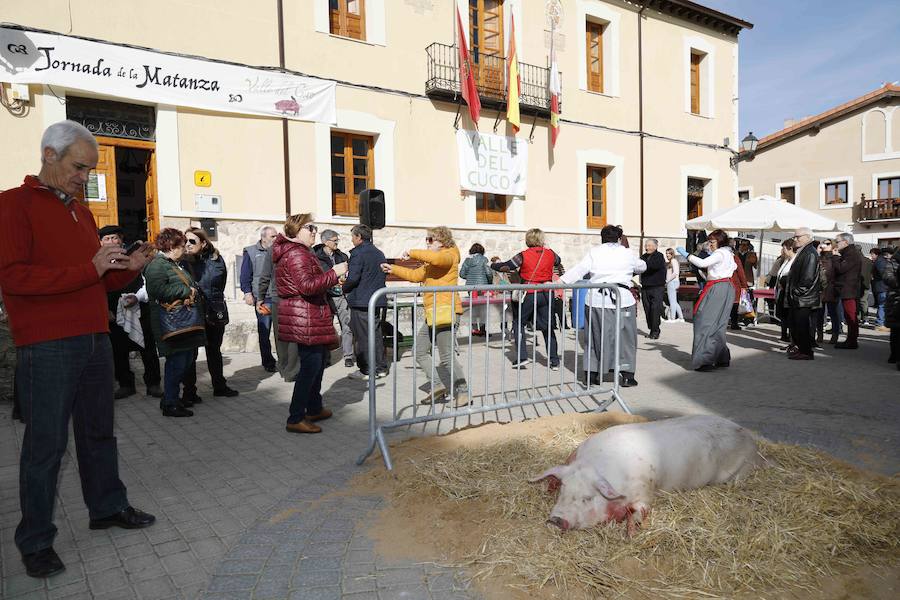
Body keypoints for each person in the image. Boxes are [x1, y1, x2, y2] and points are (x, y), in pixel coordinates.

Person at [0, 120, 156, 578]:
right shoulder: (12, 205)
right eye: (78, 167)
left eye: (88, 170)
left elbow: (98, 280)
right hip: (47, 344)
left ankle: (107, 507)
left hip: (93, 337)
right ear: (49, 154)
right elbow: (12, 277)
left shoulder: (81, 212)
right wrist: (90, 270)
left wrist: (130, 267)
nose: (84, 177)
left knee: (98, 433)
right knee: (46, 446)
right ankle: (34, 542)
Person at [274, 214, 348, 434]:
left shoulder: (301, 252)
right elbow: (307, 286)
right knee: (310, 365)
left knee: (318, 361)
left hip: (309, 314)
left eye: (315, 227)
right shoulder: (297, 253)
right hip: (305, 315)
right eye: (310, 227)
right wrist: (334, 274)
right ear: (296, 230)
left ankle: (314, 408)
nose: (315, 231)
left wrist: (330, 277)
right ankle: (296, 417)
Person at [382, 227, 469, 406]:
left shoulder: (449, 255)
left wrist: (412, 252)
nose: (427, 243)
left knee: (446, 357)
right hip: (433, 313)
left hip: (446, 311)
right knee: (420, 351)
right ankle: (437, 386)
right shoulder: (432, 263)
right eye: (427, 240)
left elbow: (437, 259)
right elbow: (415, 275)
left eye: (430, 240)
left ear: (442, 241)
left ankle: (463, 392)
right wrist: (393, 268)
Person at [561, 225, 646, 387]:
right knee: (626, 338)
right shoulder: (626, 252)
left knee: (594, 337)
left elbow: (580, 269)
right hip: (623, 300)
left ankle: (591, 375)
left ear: (602, 238)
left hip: (597, 300)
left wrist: (560, 282)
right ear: (619, 238)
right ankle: (627, 375)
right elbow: (642, 266)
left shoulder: (595, 252)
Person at [145, 228, 206, 417]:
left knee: (185, 360)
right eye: (181, 245)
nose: (185, 248)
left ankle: (170, 399)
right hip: (171, 322)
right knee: (177, 362)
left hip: (182, 321)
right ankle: (170, 403)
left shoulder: (175, 263)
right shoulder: (157, 266)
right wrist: (186, 291)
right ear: (171, 246)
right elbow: (157, 290)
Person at [98, 225, 162, 400]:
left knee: (147, 348)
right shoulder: (97, 263)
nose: (111, 241)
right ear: (100, 242)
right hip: (113, 313)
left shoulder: (134, 259)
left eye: (115, 238)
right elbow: (96, 289)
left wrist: (138, 297)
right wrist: (105, 310)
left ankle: (153, 384)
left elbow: (148, 282)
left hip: (139, 309)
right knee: (118, 350)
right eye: (107, 239)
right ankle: (126, 385)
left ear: (121, 240)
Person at [491, 228, 564, 370]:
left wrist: (493, 265)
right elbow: (558, 261)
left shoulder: (523, 255)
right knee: (548, 326)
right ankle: (554, 361)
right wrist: (548, 249)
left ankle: (522, 357)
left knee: (519, 323)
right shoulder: (550, 254)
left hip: (529, 293)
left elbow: (507, 266)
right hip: (546, 293)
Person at [181, 227, 239, 399]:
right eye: (185, 241)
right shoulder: (182, 261)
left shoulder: (216, 259)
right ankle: (189, 392)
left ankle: (219, 386)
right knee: (190, 352)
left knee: (214, 350)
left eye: (192, 241)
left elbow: (220, 283)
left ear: (203, 243)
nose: (188, 245)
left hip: (213, 310)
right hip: (192, 312)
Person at [677, 229, 736, 372]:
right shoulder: (729, 254)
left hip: (717, 287)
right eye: (709, 242)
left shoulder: (720, 253)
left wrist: (687, 255)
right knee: (719, 324)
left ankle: (704, 360)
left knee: (705, 322)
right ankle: (721, 357)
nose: (710, 244)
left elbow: (702, 263)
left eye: (712, 242)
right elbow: (733, 268)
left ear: (720, 242)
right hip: (727, 287)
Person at [343, 224, 388, 380]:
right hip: (376, 299)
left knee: (363, 337)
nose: (352, 240)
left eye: (353, 237)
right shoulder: (379, 252)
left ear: (359, 237)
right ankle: (381, 367)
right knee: (375, 334)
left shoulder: (358, 253)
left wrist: (344, 286)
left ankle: (367, 369)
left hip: (361, 300)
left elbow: (353, 277)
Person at [256, 239, 300, 382]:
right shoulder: (300, 249)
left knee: (281, 336)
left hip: (277, 297)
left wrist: (260, 297)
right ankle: (291, 372)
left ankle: (283, 368)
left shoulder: (273, 249)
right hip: (293, 297)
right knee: (293, 337)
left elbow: (265, 275)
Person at [313, 229, 354, 367]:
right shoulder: (315, 257)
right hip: (324, 296)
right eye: (334, 240)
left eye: (337, 240)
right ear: (325, 241)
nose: (337, 242)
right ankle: (326, 357)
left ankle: (348, 355)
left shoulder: (342, 256)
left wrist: (344, 279)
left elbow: (349, 272)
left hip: (340, 295)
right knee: (326, 328)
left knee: (347, 325)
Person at [240, 226, 278, 372]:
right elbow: (245, 275)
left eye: (276, 236)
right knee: (265, 332)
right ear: (264, 237)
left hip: (278, 297)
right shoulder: (251, 252)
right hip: (263, 299)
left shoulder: (278, 250)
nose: (276, 239)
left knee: (281, 333)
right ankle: (268, 362)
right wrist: (247, 293)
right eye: (273, 236)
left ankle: (285, 361)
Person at [785, 228, 823, 360]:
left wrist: (796, 292)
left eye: (798, 237)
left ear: (807, 237)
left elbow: (807, 278)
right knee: (798, 325)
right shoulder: (805, 251)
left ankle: (806, 351)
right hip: (801, 296)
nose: (795, 239)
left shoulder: (810, 253)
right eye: (794, 237)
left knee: (802, 326)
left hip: (804, 297)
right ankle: (802, 349)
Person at [832, 233, 863, 349]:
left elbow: (841, 268)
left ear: (845, 242)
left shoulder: (851, 254)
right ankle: (850, 340)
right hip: (847, 288)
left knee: (851, 316)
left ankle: (852, 341)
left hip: (849, 289)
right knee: (849, 316)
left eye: (837, 241)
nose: (836, 244)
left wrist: (835, 257)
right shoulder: (849, 253)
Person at [459, 243, 494, 336]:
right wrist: (490, 282)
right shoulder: (484, 259)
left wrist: (470, 277)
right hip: (483, 287)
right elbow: (489, 273)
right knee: (483, 309)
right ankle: (482, 330)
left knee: (473, 307)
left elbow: (461, 274)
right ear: (482, 251)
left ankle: (474, 330)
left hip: (471, 288)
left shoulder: (467, 261)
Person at [639, 239, 666, 339]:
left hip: (657, 287)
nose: (647, 248)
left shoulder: (659, 256)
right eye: (646, 245)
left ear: (655, 246)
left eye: (649, 246)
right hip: (645, 287)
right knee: (648, 309)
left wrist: (642, 265)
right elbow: (638, 268)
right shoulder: (643, 257)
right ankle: (652, 328)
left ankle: (655, 331)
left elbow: (654, 266)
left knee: (655, 308)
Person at [819, 239, 843, 344]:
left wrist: (837, 287)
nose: (824, 245)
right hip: (820, 290)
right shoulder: (818, 258)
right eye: (823, 243)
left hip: (832, 289)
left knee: (834, 313)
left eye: (827, 244)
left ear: (833, 246)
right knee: (819, 314)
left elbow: (840, 273)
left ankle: (835, 335)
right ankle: (819, 335)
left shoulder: (836, 259)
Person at [775, 240, 797, 345]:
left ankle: (791, 337)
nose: (783, 251)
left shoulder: (795, 260)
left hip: (789, 292)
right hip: (782, 291)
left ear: (790, 249)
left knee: (789, 315)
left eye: (784, 248)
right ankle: (784, 335)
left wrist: (783, 282)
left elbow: (790, 276)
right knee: (783, 314)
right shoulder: (786, 260)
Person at [881, 247, 900, 370]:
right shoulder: (893, 262)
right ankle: (894, 354)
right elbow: (887, 277)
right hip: (895, 299)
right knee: (896, 329)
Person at [664, 248, 684, 322]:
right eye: (666, 253)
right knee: (674, 301)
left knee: (672, 301)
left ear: (672, 254)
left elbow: (675, 273)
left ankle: (672, 318)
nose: (667, 255)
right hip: (673, 282)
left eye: (669, 253)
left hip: (672, 282)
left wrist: (667, 281)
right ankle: (681, 318)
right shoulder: (672, 261)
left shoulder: (673, 261)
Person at [870, 248, 888, 332]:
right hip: (882, 286)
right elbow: (883, 274)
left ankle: (880, 323)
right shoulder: (881, 261)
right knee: (882, 305)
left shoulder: (879, 261)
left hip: (880, 286)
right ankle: (880, 324)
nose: (871, 256)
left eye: (872, 254)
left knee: (882, 305)